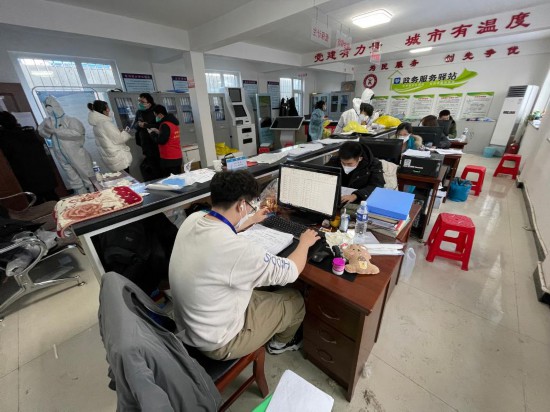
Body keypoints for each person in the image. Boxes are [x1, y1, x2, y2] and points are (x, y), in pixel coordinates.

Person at [169, 170, 319, 360]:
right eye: (250, 205)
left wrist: (251, 220)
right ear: (241, 205)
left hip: (191, 325)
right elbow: (291, 271)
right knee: (295, 300)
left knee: (262, 288)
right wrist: (305, 242)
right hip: (219, 342)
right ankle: (280, 344)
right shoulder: (238, 250)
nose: (250, 209)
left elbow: (222, 229)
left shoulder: (193, 219)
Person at [37, 96, 94, 194]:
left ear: (56, 106)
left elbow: (77, 133)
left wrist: (56, 131)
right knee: (73, 179)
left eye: (50, 106)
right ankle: (82, 196)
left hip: (76, 153)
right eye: (46, 107)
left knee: (86, 174)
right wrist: (47, 128)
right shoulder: (48, 122)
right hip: (60, 155)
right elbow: (44, 134)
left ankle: (95, 192)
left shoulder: (71, 120)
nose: (48, 109)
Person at [0, 111, 58, 203]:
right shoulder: (29, 132)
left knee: (38, 203)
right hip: (44, 173)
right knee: (53, 198)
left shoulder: (5, 138)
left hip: (28, 178)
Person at [87, 100, 132, 173]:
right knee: (126, 177)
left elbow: (108, 137)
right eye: (107, 108)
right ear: (103, 111)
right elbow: (119, 139)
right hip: (119, 158)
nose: (109, 110)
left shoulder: (96, 125)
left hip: (111, 158)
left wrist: (118, 132)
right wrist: (125, 132)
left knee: (121, 176)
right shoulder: (106, 123)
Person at [148, 104, 182, 177]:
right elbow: (169, 135)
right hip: (177, 156)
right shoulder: (173, 123)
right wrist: (158, 132)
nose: (155, 117)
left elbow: (161, 141)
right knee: (178, 178)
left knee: (170, 180)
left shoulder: (165, 124)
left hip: (169, 158)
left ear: (160, 115)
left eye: (156, 115)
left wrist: (152, 133)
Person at [134, 93, 162, 181]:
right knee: (151, 164)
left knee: (160, 165)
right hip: (145, 143)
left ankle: (162, 180)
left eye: (142, 102)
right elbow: (134, 125)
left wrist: (146, 125)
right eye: (139, 101)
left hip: (156, 142)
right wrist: (138, 125)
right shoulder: (139, 112)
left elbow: (160, 125)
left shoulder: (156, 110)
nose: (140, 103)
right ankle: (155, 182)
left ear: (149, 103)